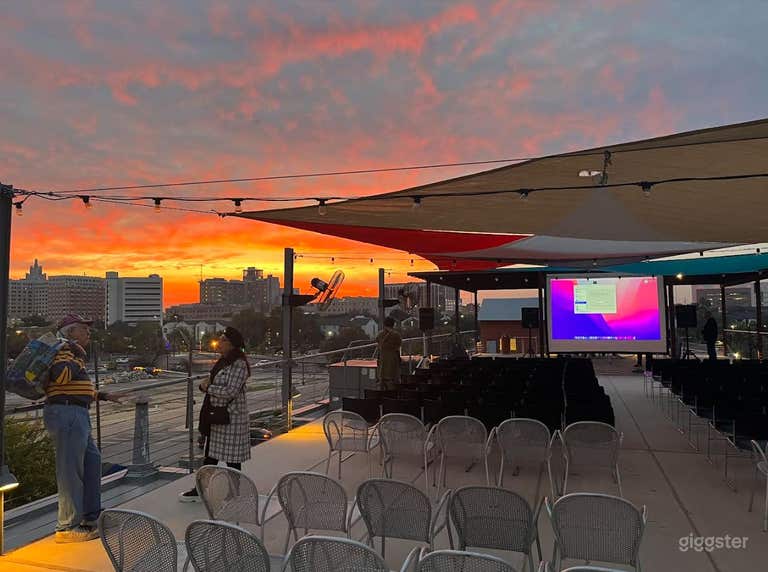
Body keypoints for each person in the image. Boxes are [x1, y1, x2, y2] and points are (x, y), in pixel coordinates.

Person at [44, 314, 122, 543]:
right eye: (83, 329)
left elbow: (74, 387)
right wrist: (77, 354)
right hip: (66, 413)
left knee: (92, 462)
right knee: (70, 470)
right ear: (70, 332)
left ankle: (91, 516)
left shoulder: (71, 352)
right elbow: (61, 378)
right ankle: (67, 527)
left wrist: (104, 395)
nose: (88, 333)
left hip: (76, 412)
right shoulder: (64, 350)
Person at [180, 326, 251, 502]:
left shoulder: (239, 364)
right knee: (210, 456)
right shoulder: (224, 361)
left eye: (223, 340)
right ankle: (200, 488)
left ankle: (233, 492)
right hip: (217, 416)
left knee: (232, 460)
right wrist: (207, 386)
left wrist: (208, 387)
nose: (219, 342)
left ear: (232, 344)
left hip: (231, 418)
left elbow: (231, 391)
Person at [375, 316, 402, 390]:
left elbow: (377, 341)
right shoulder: (396, 335)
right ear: (393, 324)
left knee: (382, 382)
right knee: (392, 384)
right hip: (393, 361)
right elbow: (399, 344)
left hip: (382, 360)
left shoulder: (380, 334)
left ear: (384, 324)